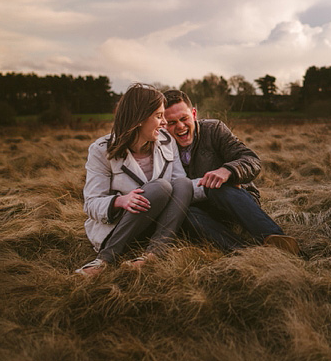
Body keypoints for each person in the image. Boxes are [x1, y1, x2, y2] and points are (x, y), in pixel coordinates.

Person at [162, 89, 300, 256]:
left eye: (184, 119)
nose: (180, 127)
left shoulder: (214, 129)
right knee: (181, 212)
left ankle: (278, 241)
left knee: (216, 185)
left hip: (235, 201)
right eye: (171, 122)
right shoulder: (161, 146)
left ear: (194, 113)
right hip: (202, 214)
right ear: (163, 123)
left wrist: (228, 170)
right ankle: (245, 253)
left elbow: (252, 160)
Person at [75, 83, 193, 276]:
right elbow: (91, 203)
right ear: (139, 118)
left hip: (155, 227)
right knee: (161, 187)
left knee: (183, 183)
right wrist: (119, 201)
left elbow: (180, 185)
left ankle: (153, 255)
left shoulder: (166, 140)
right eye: (158, 116)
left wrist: (220, 183)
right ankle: (105, 259)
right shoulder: (100, 150)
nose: (164, 123)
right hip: (120, 228)